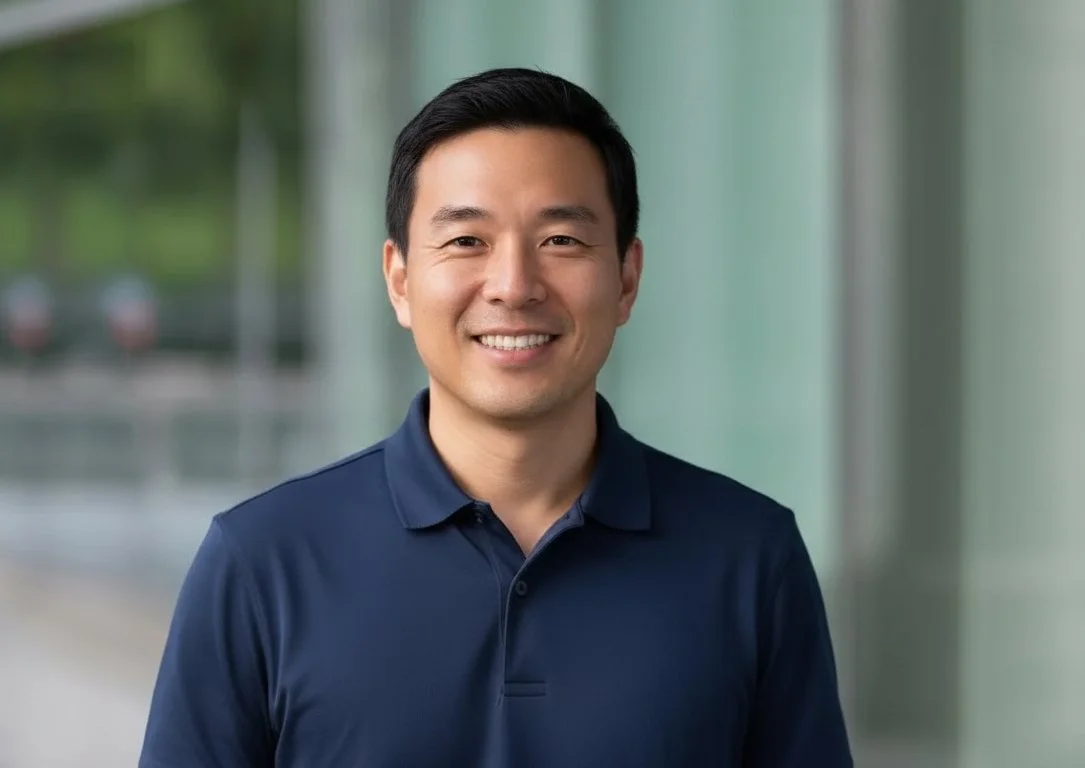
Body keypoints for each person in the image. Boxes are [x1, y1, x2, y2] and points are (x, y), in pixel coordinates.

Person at [139, 67, 853, 767]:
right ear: (400, 280)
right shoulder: (262, 562)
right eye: (465, 241)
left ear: (627, 279)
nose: (513, 286)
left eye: (561, 240)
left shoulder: (749, 557)